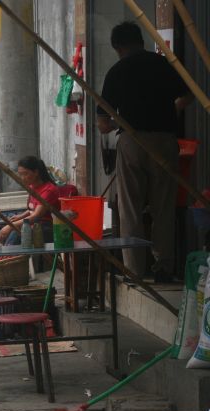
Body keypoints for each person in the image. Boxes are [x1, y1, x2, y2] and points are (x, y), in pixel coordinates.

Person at [97, 22, 192, 281]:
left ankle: (134, 270)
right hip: (164, 140)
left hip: (132, 142)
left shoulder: (117, 72)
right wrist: (172, 110)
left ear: (118, 47)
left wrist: (119, 121)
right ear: (141, 41)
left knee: (130, 207)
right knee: (164, 206)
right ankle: (164, 267)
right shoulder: (163, 65)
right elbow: (188, 95)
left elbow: (103, 124)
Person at [0, 156, 60, 246]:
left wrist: (12, 226)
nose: (22, 178)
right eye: (20, 174)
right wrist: (20, 216)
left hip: (46, 227)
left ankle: (10, 256)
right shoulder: (32, 186)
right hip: (33, 223)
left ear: (36, 172)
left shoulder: (48, 190)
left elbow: (36, 215)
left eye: (25, 174)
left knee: (16, 233)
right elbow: (32, 208)